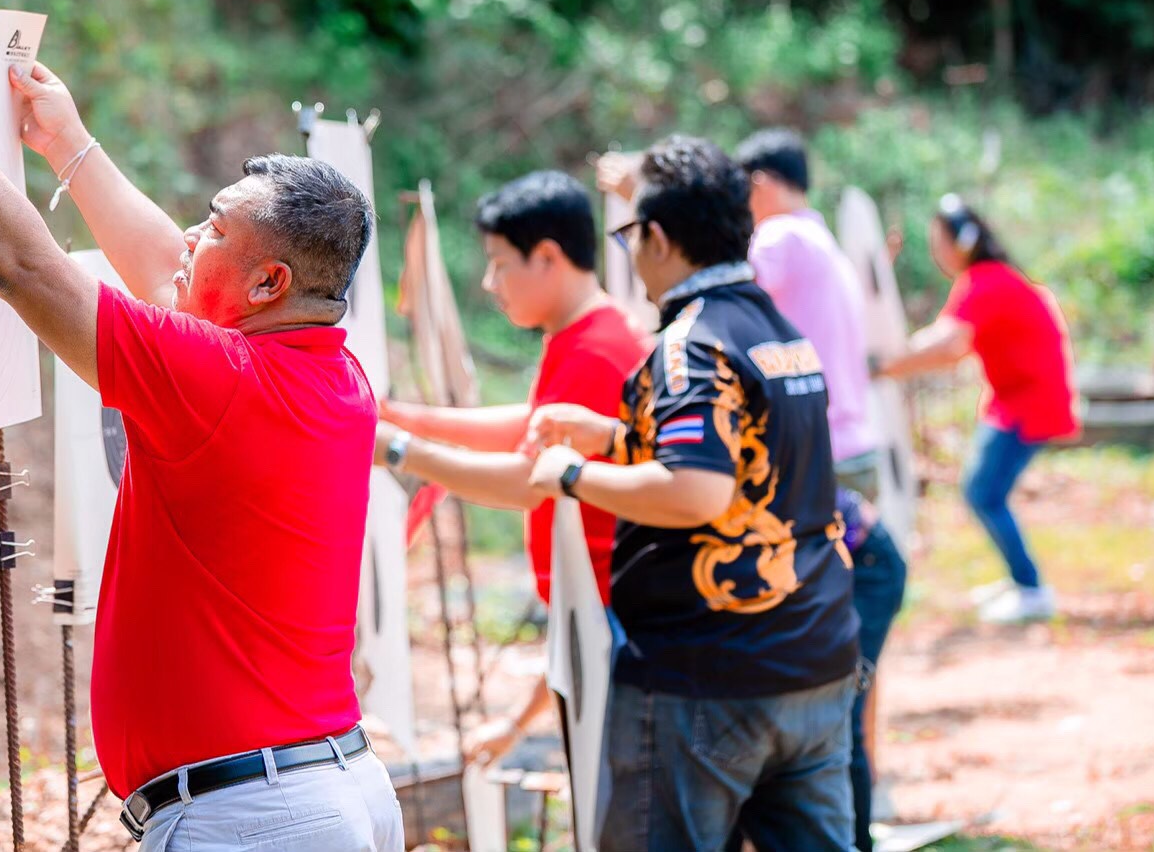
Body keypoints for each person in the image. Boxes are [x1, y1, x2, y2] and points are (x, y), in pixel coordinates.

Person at [0, 8, 403, 852]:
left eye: (213, 228)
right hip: (326, 788)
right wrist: (69, 145)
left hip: (256, 817)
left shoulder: (222, 381)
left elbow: (24, 271)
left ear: (269, 283)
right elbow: (173, 270)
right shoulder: (331, 374)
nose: (191, 237)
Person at [530, 136, 859, 852]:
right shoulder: (778, 331)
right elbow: (747, 464)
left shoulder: (690, 343)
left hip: (708, 672)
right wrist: (616, 437)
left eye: (628, 235)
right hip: (813, 658)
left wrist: (571, 475)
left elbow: (696, 491)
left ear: (656, 236)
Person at [375, 170, 649, 766]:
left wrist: (398, 449)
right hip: (598, 616)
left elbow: (530, 482)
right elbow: (532, 425)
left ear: (547, 257)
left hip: (612, 623)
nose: (489, 282)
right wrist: (405, 418)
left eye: (500, 265)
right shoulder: (584, 333)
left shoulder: (596, 350)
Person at [735, 128, 907, 852]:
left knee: (824, 676)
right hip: (851, 447)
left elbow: (713, 286)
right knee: (846, 665)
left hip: (817, 456)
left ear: (760, 184)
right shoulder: (823, 241)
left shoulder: (779, 241)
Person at [877, 194, 1079, 624]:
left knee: (984, 493)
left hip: (1030, 402)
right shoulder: (986, 280)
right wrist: (898, 361)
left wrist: (888, 365)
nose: (936, 253)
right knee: (984, 492)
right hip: (1012, 400)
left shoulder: (987, 282)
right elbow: (945, 337)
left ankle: (1031, 588)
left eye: (939, 243)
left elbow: (949, 344)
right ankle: (1020, 580)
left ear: (961, 244)